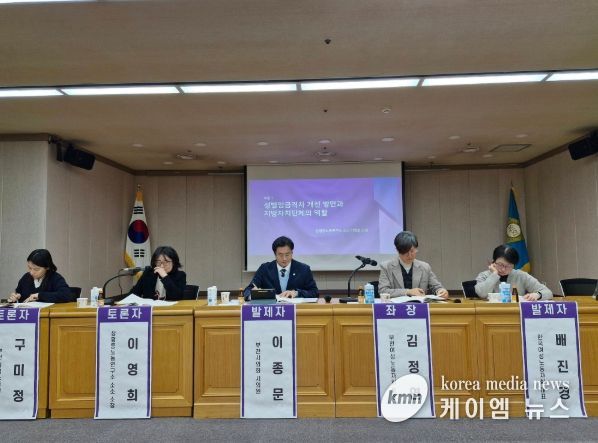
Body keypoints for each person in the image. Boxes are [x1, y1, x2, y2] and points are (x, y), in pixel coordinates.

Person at [378, 231, 449, 299]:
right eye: (405, 252)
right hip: (397, 306)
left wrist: (441, 291)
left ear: (416, 248)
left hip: (419, 306)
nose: (410, 255)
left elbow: (436, 286)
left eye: (412, 251)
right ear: (397, 250)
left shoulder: (425, 267)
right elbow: (383, 291)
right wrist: (408, 292)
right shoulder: (386, 267)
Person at [244, 236, 319, 299]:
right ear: (275, 254)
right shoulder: (265, 269)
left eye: (287, 254)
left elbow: (314, 292)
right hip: (272, 309)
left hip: (296, 309)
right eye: (280, 255)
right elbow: (247, 290)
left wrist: (297, 293)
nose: (284, 258)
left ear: (292, 253)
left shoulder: (303, 269)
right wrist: (254, 294)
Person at [475, 244, 552, 301]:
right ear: (493, 262)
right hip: (491, 313)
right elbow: (482, 294)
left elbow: (548, 292)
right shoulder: (484, 275)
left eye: (508, 266)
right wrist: (494, 274)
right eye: (500, 264)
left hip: (516, 313)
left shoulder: (521, 275)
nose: (503, 269)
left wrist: (537, 295)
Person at [8, 249, 72, 303]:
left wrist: (39, 295)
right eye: (29, 268)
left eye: (36, 269)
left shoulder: (55, 278)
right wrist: (15, 297)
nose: (31, 272)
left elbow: (66, 295)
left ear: (47, 267)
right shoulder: (26, 277)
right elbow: (19, 294)